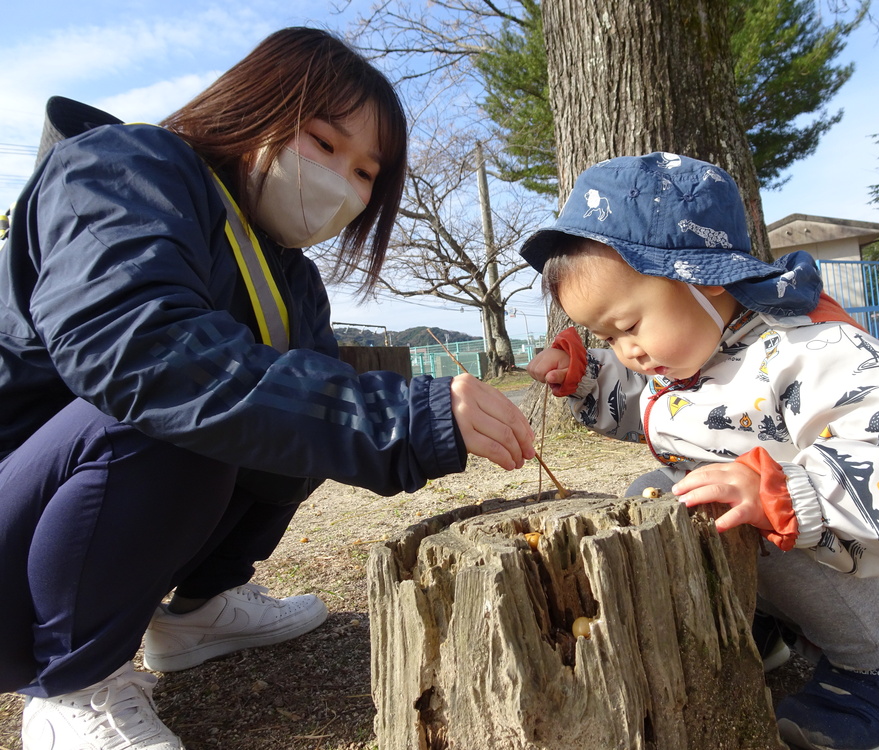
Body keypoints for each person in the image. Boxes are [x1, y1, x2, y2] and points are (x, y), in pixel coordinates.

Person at [0, 27, 534, 750]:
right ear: (258, 107)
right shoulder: (120, 169)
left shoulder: (292, 279)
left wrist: (398, 415)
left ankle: (200, 609)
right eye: (324, 142)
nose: (343, 182)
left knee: (295, 417)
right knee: (170, 408)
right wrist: (399, 417)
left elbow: (310, 412)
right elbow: (138, 353)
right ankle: (70, 686)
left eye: (366, 173)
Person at [522, 152, 879, 750]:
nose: (626, 351)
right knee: (652, 497)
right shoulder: (688, 358)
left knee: (739, 515)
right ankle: (756, 626)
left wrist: (788, 491)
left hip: (864, 548)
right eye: (605, 338)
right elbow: (651, 408)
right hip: (775, 555)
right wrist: (584, 380)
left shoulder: (804, 349)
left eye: (628, 325)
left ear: (703, 276)